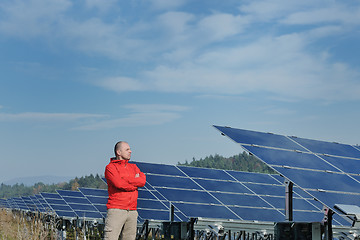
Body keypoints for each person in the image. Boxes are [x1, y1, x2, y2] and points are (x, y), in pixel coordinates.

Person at [104, 141, 146, 240]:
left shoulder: (134, 167)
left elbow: (142, 181)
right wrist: (134, 183)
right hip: (116, 210)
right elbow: (119, 184)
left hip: (132, 211)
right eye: (127, 149)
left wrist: (126, 180)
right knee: (110, 238)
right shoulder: (110, 168)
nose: (130, 151)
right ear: (118, 152)